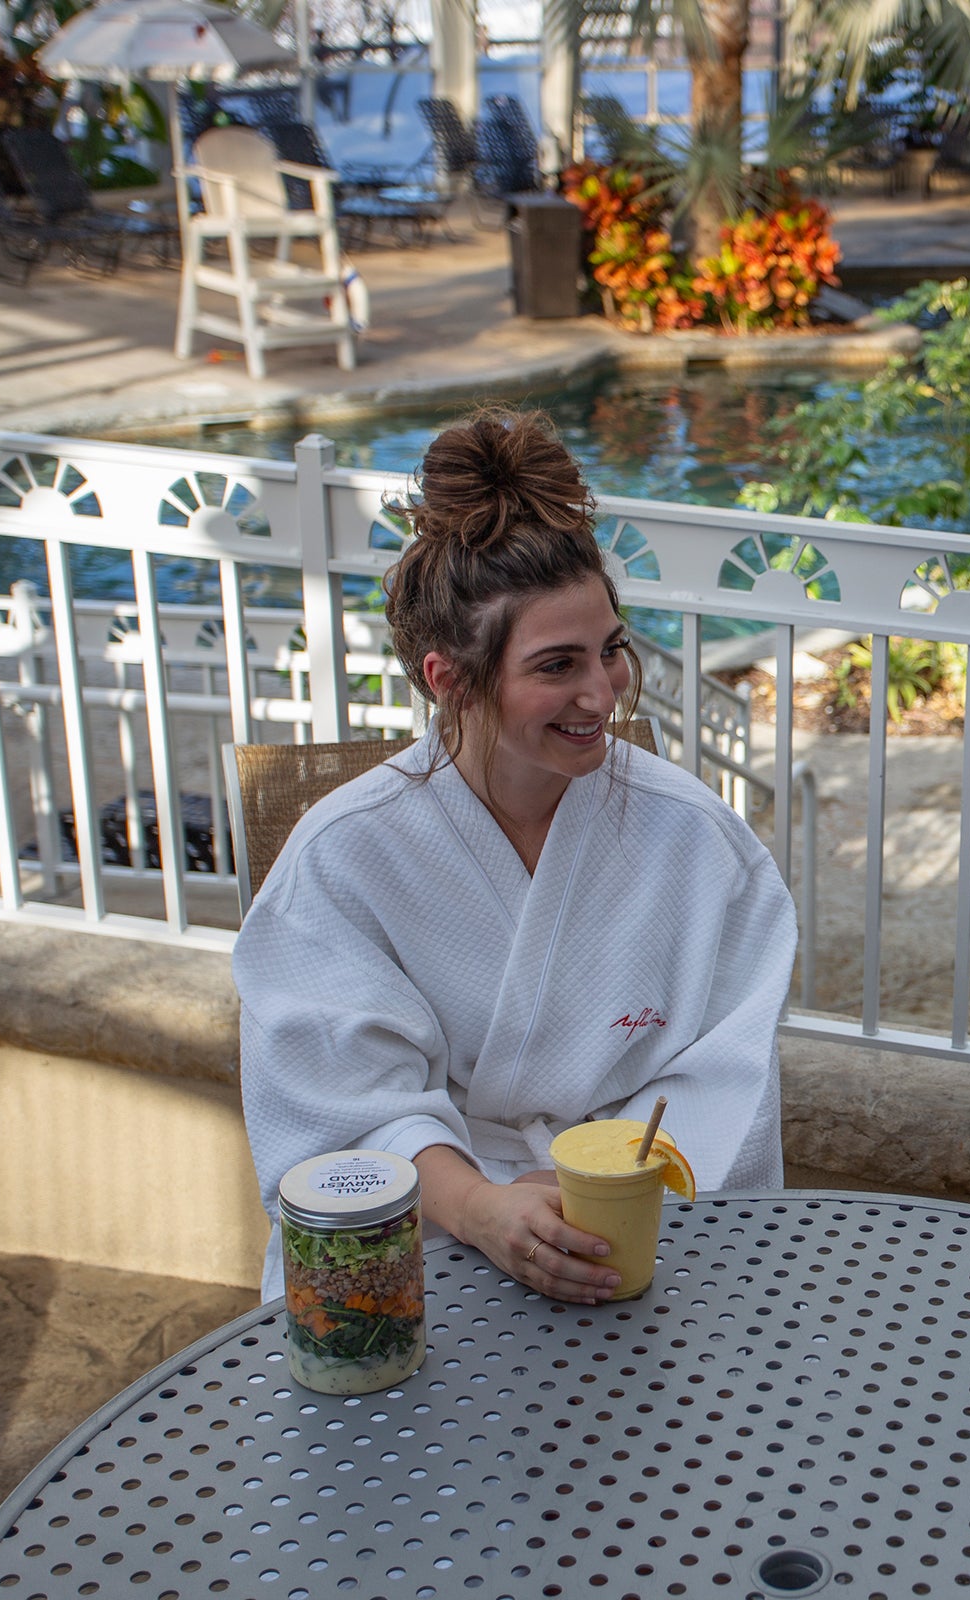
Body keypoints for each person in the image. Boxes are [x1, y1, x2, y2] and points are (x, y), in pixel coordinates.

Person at [237, 409, 795, 1306]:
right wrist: (483, 1208)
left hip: (642, 1224)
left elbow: (724, 1075)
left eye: (611, 651)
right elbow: (336, 1105)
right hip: (419, 1232)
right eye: (556, 665)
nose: (600, 693)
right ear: (447, 678)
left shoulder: (694, 836)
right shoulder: (343, 857)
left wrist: (607, 1190)